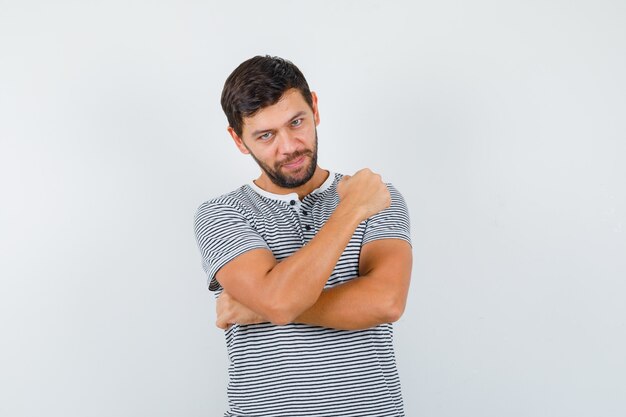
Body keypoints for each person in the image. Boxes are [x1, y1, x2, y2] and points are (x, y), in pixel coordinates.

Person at [194, 55, 413, 417]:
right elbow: (280, 302)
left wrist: (259, 307)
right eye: (266, 135)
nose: (289, 146)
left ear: (314, 107)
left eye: (296, 122)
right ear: (238, 140)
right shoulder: (222, 213)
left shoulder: (376, 195)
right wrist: (351, 210)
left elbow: (386, 302)